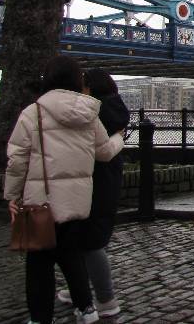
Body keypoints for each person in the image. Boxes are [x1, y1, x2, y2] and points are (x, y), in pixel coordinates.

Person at [5, 56, 125, 324]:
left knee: (38, 265)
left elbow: (17, 160)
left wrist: (12, 196)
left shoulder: (32, 113)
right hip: (78, 204)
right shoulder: (89, 113)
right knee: (73, 259)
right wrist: (119, 137)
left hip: (40, 204)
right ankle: (87, 310)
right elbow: (104, 153)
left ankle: (40, 318)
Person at [56, 69, 129, 318]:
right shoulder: (116, 111)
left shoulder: (95, 113)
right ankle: (75, 286)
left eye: (83, 85)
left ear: (91, 88)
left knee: (90, 241)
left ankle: (106, 299)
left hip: (94, 179)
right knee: (89, 238)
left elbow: (101, 150)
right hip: (108, 180)